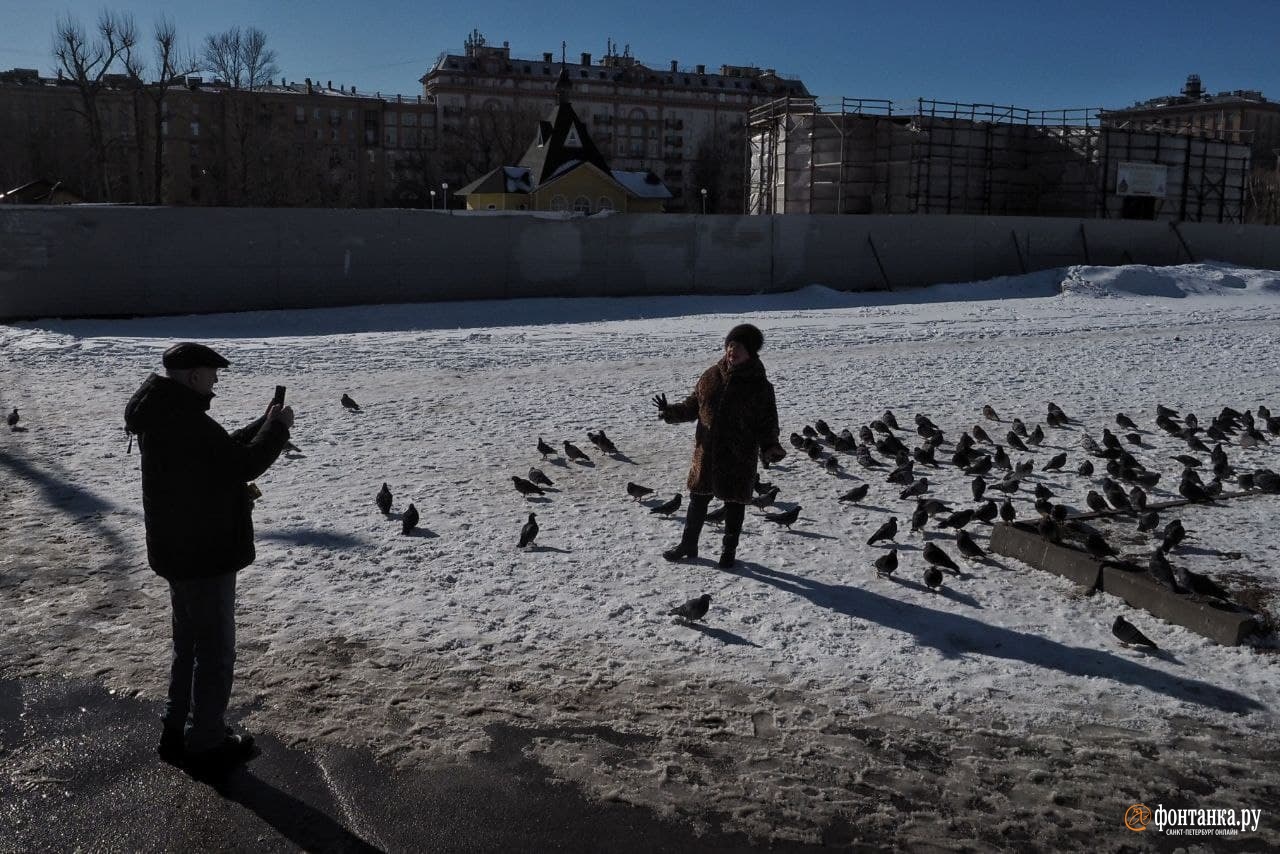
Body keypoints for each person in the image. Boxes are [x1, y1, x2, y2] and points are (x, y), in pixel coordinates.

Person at [124, 342, 293, 774]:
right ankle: (207, 741)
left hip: (180, 551)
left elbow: (222, 453)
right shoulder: (182, 420)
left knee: (189, 645)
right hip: (204, 553)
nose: (216, 381)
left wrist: (263, 421)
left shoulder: (167, 412)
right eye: (211, 373)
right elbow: (241, 464)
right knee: (214, 650)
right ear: (192, 376)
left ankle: (176, 730)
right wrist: (276, 431)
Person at [653, 323, 785, 568]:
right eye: (730, 345)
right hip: (707, 452)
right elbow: (694, 406)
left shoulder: (760, 386)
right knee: (697, 499)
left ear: (751, 352)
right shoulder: (711, 375)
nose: (732, 350)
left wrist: (770, 446)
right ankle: (688, 544)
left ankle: (728, 552)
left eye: (739, 347)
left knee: (734, 504)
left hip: (738, 454)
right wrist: (670, 412)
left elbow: (768, 423)